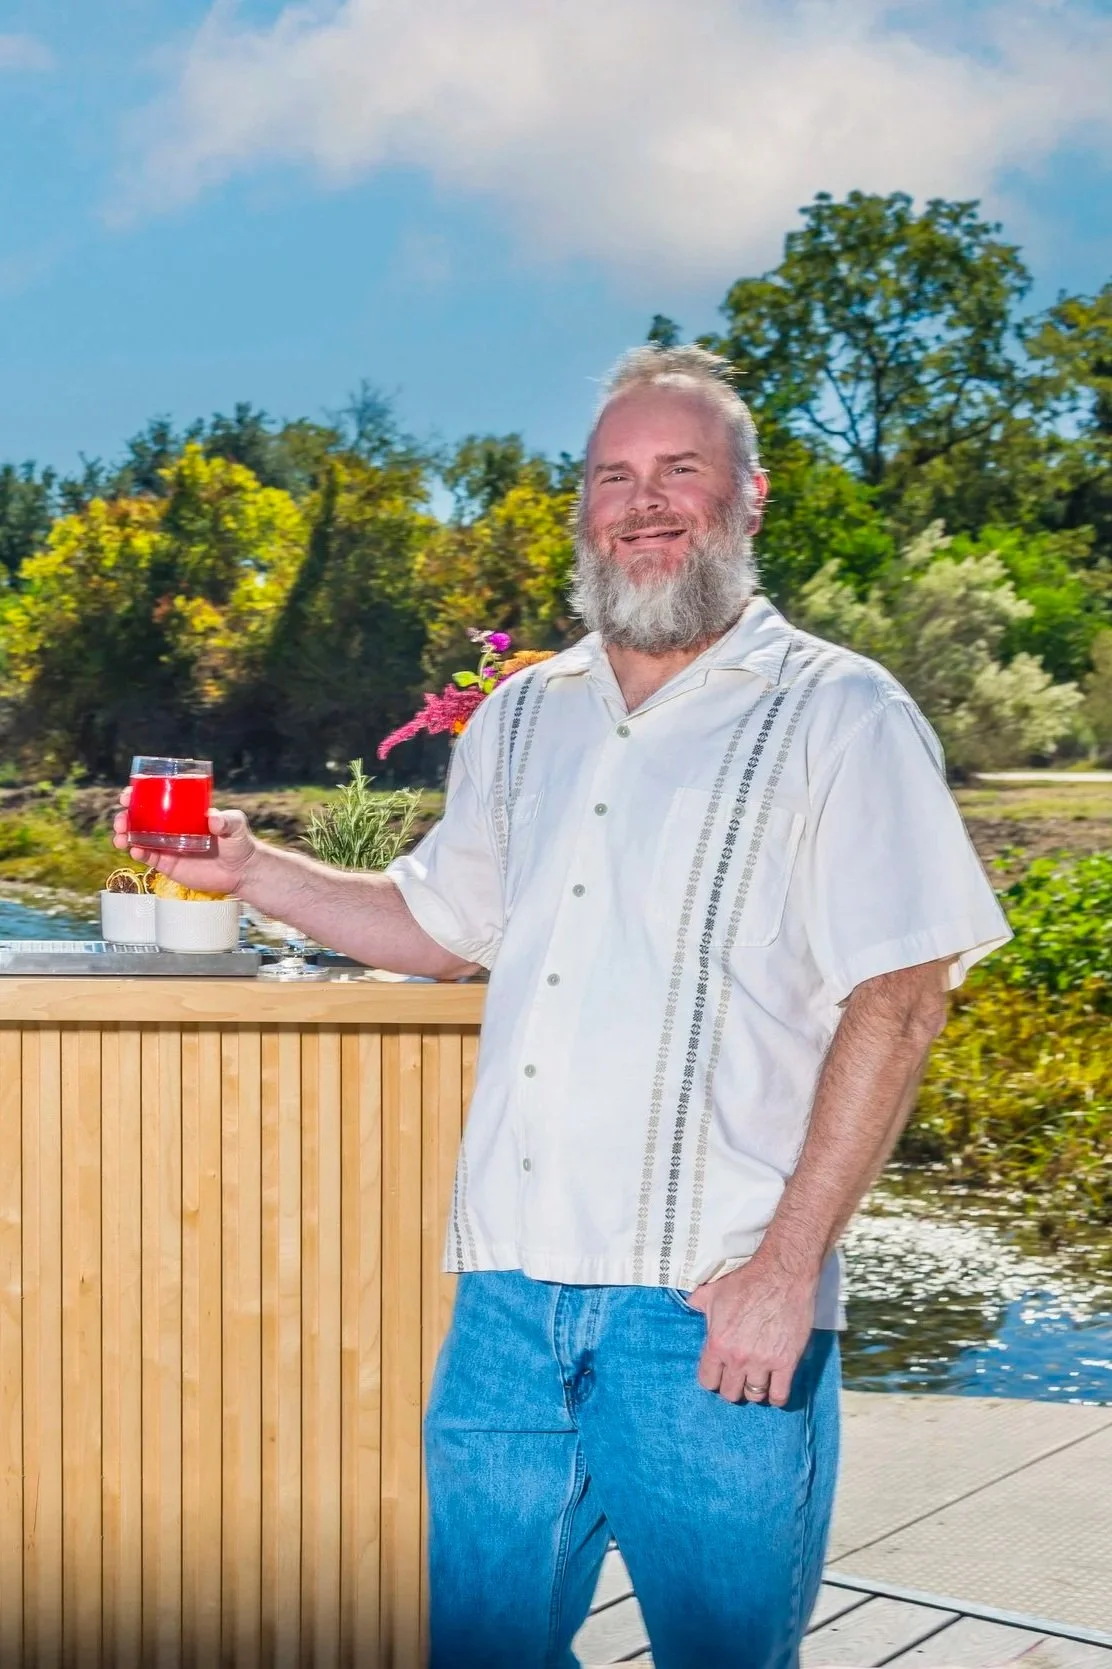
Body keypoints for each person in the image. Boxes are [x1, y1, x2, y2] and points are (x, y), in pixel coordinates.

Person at [116, 345, 1011, 1668]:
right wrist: (252, 872)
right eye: (612, 476)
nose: (643, 503)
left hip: (710, 1308)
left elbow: (902, 997)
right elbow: (436, 926)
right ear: (583, 507)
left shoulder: (841, 712)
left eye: (680, 470)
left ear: (748, 496)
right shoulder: (526, 715)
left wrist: (784, 1274)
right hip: (509, 1302)